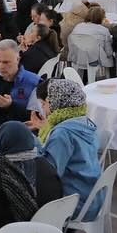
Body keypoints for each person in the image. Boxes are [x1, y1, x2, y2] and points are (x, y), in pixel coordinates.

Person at [35, 79, 102, 217]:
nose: (43, 108)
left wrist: (33, 142)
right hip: (92, 195)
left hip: (76, 202)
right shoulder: (83, 121)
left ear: (56, 103)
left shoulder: (62, 134)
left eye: (45, 103)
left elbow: (50, 174)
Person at [0, 40, 40, 126]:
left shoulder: (33, 81)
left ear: (17, 59)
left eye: (6, 62)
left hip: (17, 130)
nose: (1, 66)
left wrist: (10, 106)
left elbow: (38, 117)